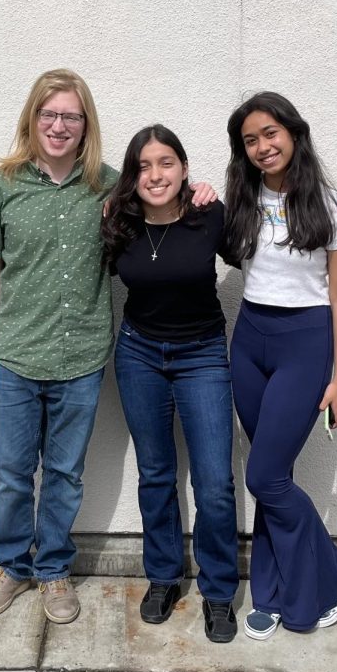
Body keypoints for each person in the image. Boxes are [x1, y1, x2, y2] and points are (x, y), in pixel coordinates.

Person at [0, 70, 216, 625]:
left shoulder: (109, 189)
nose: (59, 127)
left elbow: (166, 204)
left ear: (86, 127)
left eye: (71, 117)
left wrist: (202, 190)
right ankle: (11, 566)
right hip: (13, 354)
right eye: (49, 115)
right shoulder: (2, 187)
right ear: (32, 118)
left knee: (64, 472)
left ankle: (54, 569)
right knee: (10, 471)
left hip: (80, 356)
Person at [223, 92, 337, 639]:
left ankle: (335, 575)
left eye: (270, 133)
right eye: (250, 140)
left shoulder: (332, 205)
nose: (262, 146)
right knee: (271, 474)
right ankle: (272, 592)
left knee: (264, 476)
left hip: (304, 342)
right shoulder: (243, 198)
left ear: (294, 133)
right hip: (249, 338)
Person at [102, 125, 239, 643]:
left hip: (202, 354)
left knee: (214, 483)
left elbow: (256, 259)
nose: (155, 175)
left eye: (166, 163)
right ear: (132, 177)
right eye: (143, 166)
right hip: (139, 354)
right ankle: (163, 577)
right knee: (156, 475)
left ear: (183, 168)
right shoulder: (120, 225)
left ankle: (220, 591)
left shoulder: (210, 216)